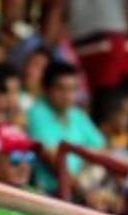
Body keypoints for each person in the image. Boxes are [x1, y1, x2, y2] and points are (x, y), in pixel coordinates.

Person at [26, 60, 105, 194]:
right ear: (46, 88)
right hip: (49, 192)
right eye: (61, 88)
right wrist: (85, 193)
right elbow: (53, 160)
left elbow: (102, 150)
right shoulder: (36, 114)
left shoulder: (77, 114)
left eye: (73, 89)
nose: (68, 95)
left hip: (79, 188)